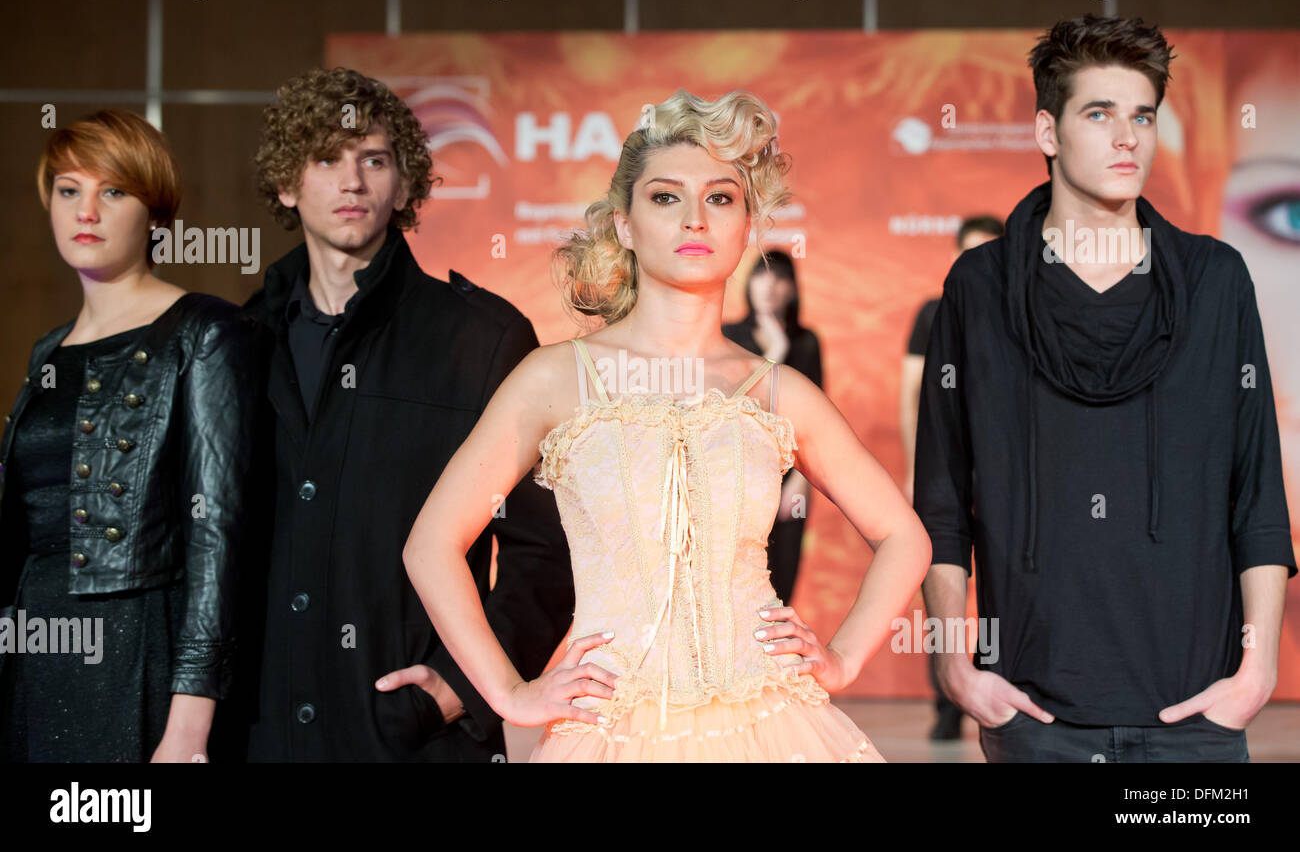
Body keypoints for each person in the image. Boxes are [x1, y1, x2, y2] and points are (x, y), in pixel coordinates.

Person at [404, 90, 932, 762]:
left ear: (747, 225)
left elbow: (903, 537)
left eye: (720, 198)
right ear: (624, 223)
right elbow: (431, 546)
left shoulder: (777, 391)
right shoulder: (554, 378)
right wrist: (509, 693)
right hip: (609, 734)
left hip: (776, 725)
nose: (695, 219)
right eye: (664, 197)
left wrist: (844, 657)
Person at [915, 15, 1295, 763]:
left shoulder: (1216, 282)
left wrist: (1258, 672)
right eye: (1100, 113)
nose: (1129, 138)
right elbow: (941, 499)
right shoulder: (979, 289)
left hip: (1198, 718)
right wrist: (954, 665)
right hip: (1033, 717)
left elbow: (1258, 494)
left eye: (1143, 116)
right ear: (1048, 133)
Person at [237, 68, 574, 762]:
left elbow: (549, 551)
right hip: (262, 732)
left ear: (404, 184)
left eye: (374, 159)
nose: (351, 181)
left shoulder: (481, 340)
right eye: (325, 158)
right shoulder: (238, 344)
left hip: (417, 742)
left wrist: (457, 690)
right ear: (286, 184)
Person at [0, 110, 260, 762]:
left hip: (135, 642)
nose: (86, 209)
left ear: (154, 210)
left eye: (112, 191)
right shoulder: (48, 350)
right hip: (35, 644)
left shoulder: (205, 332)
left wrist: (190, 723)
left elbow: (218, 534)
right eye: (68, 189)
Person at [900, 215, 1003, 741]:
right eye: (968, 253)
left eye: (987, 252)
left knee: (1003, 585)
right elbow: (911, 392)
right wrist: (914, 467)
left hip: (1004, 473)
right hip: (944, 467)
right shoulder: (934, 313)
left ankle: (993, 685)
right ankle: (948, 698)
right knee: (942, 579)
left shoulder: (1020, 316)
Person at [723, 249, 822, 604]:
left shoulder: (807, 342)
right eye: (761, 275)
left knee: (781, 591)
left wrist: (800, 482)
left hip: (788, 479)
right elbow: (738, 406)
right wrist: (776, 351)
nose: (769, 286)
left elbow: (814, 422)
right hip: (734, 475)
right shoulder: (727, 336)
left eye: (780, 277)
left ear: (793, 290)